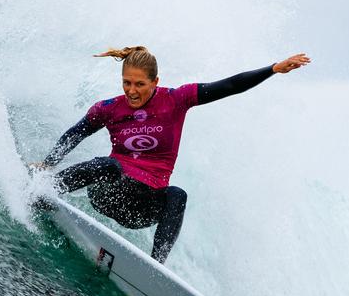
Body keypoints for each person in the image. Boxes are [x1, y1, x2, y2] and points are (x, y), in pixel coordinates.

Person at [31, 46, 310, 264]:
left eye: (139, 84)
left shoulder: (176, 100)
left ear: (156, 82)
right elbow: (75, 133)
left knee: (178, 195)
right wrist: (47, 163)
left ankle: (156, 269)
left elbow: (228, 86)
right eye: (126, 83)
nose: (131, 90)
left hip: (144, 207)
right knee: (108, 165)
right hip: (110, 194)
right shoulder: (108, 108)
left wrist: (273, 69)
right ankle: (43, 191)